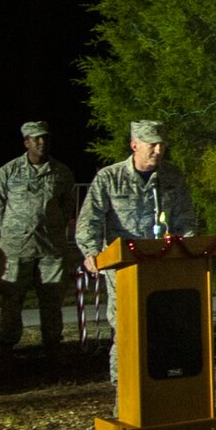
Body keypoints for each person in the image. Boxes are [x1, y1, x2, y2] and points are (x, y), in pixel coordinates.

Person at [77, 120, 199, 385]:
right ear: (134, 145)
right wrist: (91, 252)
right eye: (152, 145)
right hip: (124, 267)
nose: (158, 150)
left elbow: (186, 219)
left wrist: (185, 248)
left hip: (163, 266)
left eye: (162, 145)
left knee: (165, 329)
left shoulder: (172, 177)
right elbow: (90, 221)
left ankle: (162, 388)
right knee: (127, 330)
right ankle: (125, 391)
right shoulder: (110, 178)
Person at [0, 121, 78, 358]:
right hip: (17, 249)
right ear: (26, 142)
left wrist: (52, 227)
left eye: (45, 138)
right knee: (11, 298)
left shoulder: (61, 172)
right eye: (36, 139)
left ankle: (52, 345)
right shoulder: (9, 171)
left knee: (52, 299)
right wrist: (10, 231)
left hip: (50, 249)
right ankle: (7, 346)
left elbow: (68, 205)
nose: (42, 142)